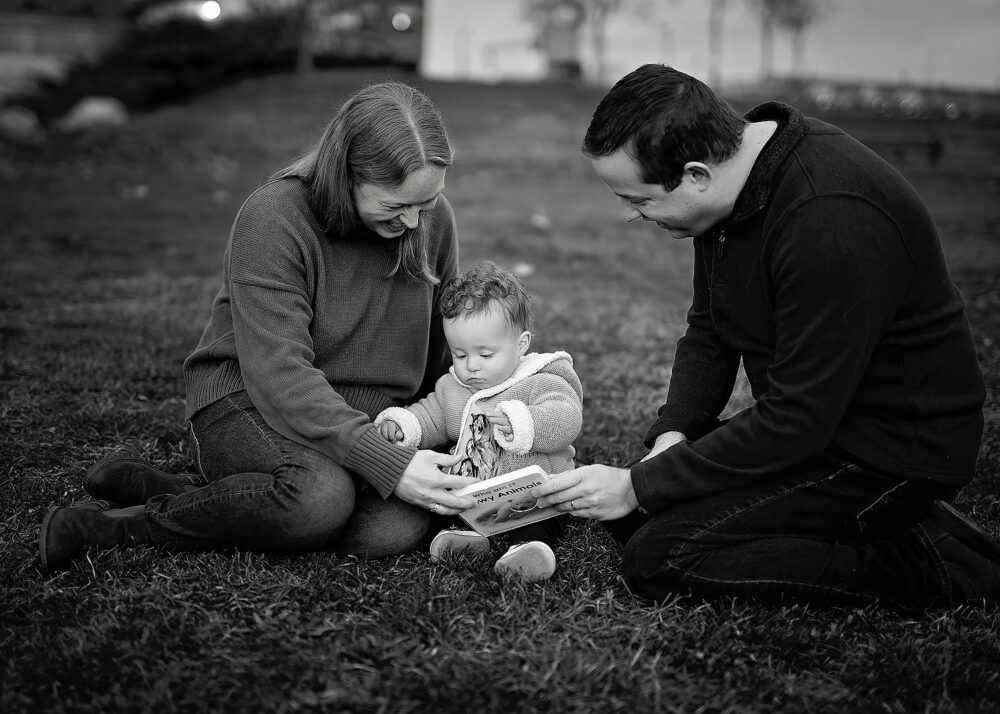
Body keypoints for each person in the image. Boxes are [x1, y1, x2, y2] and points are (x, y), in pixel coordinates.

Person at [532, 64, 997, 611]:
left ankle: (937, 567)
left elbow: (798, 418)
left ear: (696, 175)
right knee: (637, 513)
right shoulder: (731, 187)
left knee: (661, 557)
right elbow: (710, 329)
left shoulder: (828, 217)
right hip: (817, 429)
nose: (629, 214)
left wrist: (640, 484)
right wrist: (674, 433)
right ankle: (880, 527)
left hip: (888, 452)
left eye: (639, 199)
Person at [38, 81, 481, 574]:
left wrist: (475, 419)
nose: (415, 222)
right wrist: (388, 464)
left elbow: (445, 350)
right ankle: (119, 526)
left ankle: (202, 494)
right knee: (318, 499)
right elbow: (280, 375)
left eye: (427, 203)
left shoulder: (433, 222)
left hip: (370, 418)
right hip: (250, 398)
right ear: (346, 175)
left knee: (388, 531)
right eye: (396, 206)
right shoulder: (274, 217)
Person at [375, 260, 584, 581]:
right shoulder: (453, 388)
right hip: (478, 494)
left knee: (542, 515)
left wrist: (525, 422)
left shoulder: (541, 378)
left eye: (486, 355)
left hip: (537, 491)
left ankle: (527, 549)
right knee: (450, 506)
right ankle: (467, 539)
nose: (472, 366)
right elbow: (431, 416)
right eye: (460, 355)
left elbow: (565, 417)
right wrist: (405, 426)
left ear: (521, 344)